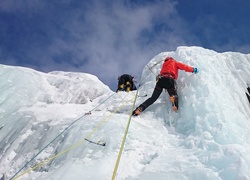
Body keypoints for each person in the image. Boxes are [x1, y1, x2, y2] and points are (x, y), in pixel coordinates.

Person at [132, 56, 199, 116]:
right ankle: (174, 100)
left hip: (161, 81)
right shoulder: (175, 63)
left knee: (153, 98)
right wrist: (193, 70)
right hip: (170, 80)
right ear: (172, 59)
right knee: (173, 93)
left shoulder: (164, 65)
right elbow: (184, 67)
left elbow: (160, 74)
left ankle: (140, 108)